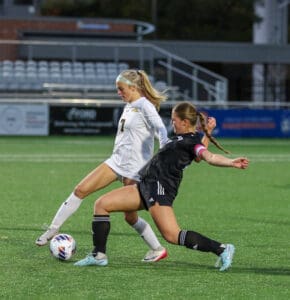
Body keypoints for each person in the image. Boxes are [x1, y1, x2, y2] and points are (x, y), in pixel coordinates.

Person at [36, 69, 214, 262]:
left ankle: (156, 249)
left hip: (137, 169)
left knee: (130, 217)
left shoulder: (146, 105)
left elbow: (161, 130)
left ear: (133, 87)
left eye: (121, 89)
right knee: (80, 190)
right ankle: (52, 230)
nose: (118, 93)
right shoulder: (129, 104)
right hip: (115, 162)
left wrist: (168, 154)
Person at [74, 101, 249, 271]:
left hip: (160, 190)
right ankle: (98, 255)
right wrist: (207, 133)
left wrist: (231, 162)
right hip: (145, 185)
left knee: (172, 235)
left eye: (174, 120)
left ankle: (222, 249)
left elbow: (208, 157)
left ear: (184, 122)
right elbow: (195, 156)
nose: (172, 123)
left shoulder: (191, 141)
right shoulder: (186, 138)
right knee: (101, 205)